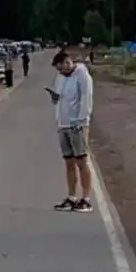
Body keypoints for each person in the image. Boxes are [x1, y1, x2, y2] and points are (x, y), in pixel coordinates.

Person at [49, 50, 95, 212]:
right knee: (69, 163)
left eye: (62, 68)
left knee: (81, 161)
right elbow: (59, 100)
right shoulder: (61, 78)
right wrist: (54, 98)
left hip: (77, 125)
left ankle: (86, 199)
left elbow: (86, 99)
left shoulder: (82, 75)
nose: (61, 72)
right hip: (63, 124)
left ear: (68, 62)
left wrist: (81, 121)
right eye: (58, 70)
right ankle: (71, 197)